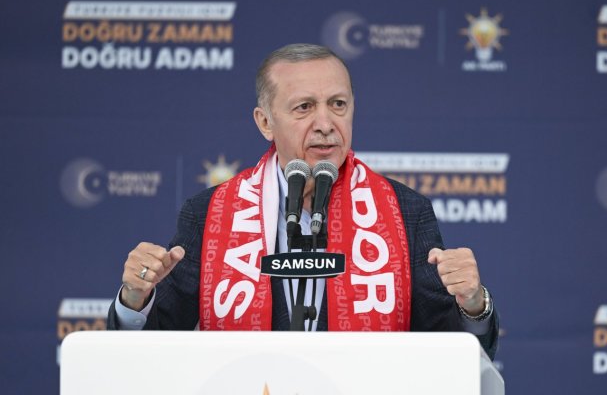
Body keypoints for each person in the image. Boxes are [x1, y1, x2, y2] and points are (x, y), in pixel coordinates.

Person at [108, 43, 499, 359]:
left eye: (338, 104)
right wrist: (135, 299)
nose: (326, 124)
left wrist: (471, 304)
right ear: (265, 122)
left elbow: (452, 356)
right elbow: (151, 352)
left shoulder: (405, 211)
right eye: (304, 107)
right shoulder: (208, 214)